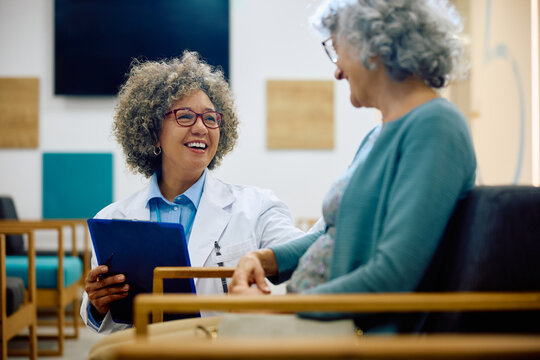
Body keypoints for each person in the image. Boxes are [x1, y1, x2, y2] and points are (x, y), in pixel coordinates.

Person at [229, 0, 476, 330]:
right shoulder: (379, 133)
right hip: (323, 326)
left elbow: (393, 274)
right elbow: (332, 233)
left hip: (362, 334)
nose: (337, 69)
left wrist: (280, 310)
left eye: (336, 48)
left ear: (371, 46)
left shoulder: (435, 126)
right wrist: (260, 259)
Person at [80, 51, 305, 334]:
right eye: (185, 116)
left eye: (211, 118)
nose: (201, 127)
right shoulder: (113, 218)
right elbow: (102, 317)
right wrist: (96, 304)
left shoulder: (258, 207)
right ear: (153, 130)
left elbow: (306, 253)